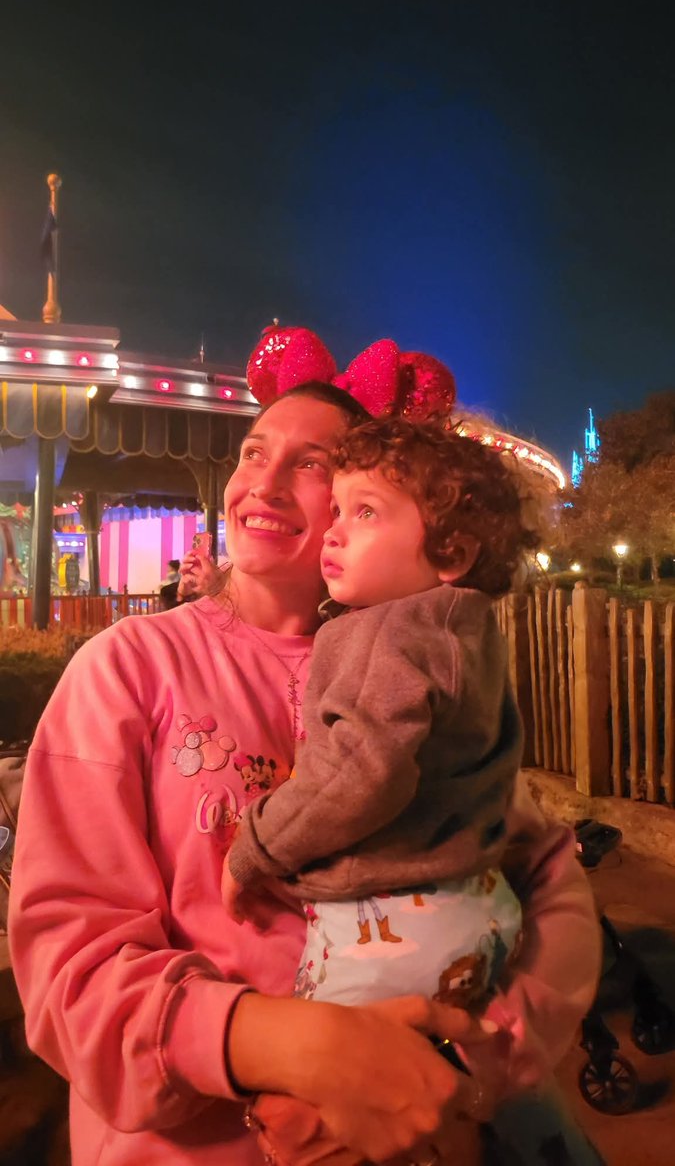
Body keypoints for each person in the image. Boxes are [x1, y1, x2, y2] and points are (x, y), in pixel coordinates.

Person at [8, 327, 601, 1166]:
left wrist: (462, 1068)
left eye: (311, 464)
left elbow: (545, 877)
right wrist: (292, 1050)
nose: (263, 482)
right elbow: (69, 965)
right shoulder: (128, 668)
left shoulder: (419, 665)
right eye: (253, 452)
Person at [223, 415, 603, 1166]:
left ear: (451, 553)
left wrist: (255, 845)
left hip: (391, 922)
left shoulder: (385, 632)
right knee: (476, 1091)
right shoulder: (464, 630)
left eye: (364, 512)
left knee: (334, 1108)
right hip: (476, 902)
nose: (335, 530)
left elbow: (361, 771)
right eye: (338, 508)